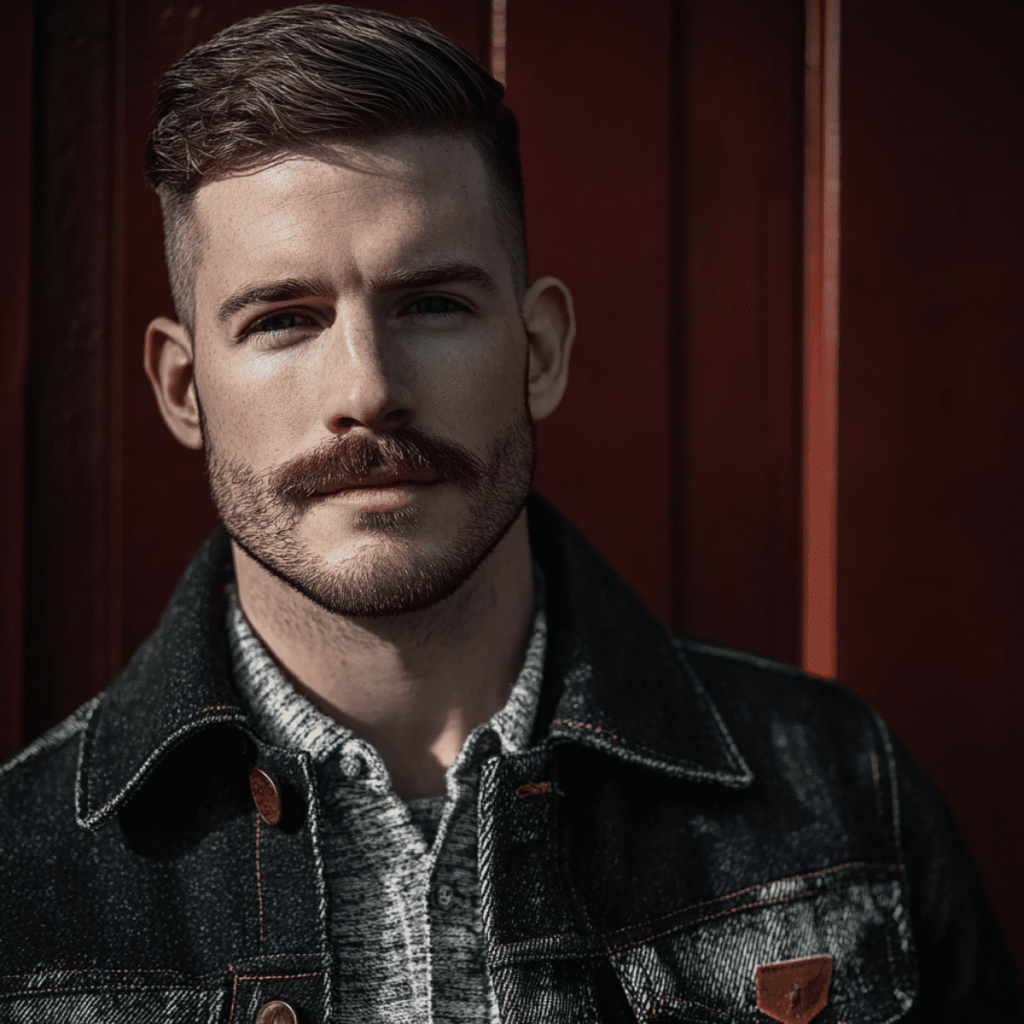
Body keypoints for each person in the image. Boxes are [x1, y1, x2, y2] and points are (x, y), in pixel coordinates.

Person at [0, 5, 1019, 1022]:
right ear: (184, 390)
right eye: (285, 320)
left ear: (538, 351)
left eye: (432, 303)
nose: (369, 388)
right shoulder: (22, 871)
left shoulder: (845, 801)